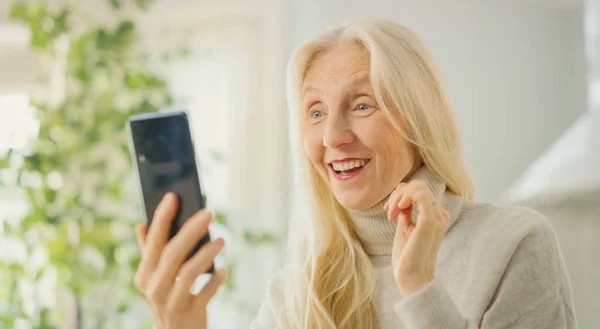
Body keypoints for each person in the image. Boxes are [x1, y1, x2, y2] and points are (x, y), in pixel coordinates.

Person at [133, 18, 576, 329]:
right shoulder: (293, 293)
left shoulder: (513, 244)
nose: (332, 137)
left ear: (419, 117)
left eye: (362, 104)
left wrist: (422, 292)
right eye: (315, 111)